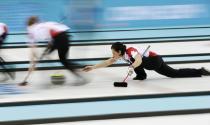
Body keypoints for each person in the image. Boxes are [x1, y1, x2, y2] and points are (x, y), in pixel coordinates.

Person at [83, 42, 210, 80]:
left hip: (154, 61)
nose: (112, 55)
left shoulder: (130, 51)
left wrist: (132, 66)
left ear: (119, 51)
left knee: (135, 61)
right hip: (150, 63)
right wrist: (92, 67)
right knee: (173, 73)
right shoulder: (121, 56)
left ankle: (141, 74)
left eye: (113, 52)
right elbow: (107, 62)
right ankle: (200, 71)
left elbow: (138, 60)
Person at [19, 16, 85, 86]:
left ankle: (83, 72)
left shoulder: (31, 30)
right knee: (62, 59)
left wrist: (33, 63)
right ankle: (83, 69)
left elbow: (33, 51)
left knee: (63, 60)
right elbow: (51, 39)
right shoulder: (42, 25)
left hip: (60, 37)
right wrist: (46, 51)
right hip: (63, 35)